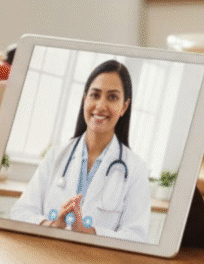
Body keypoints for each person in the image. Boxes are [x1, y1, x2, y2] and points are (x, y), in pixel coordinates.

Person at [10, 60, 150, 242]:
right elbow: (20, 212)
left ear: (124, 106)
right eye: (95, 95)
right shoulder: (56, 155)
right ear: (85, 99)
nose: (100, 105)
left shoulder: (136, 168)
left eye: (112, 97)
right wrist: (52, 225)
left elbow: (137, 236)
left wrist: (90, 232)